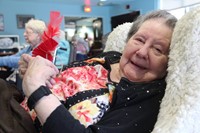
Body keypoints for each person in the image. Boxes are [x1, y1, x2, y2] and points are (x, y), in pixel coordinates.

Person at [19, 10, 177, 133]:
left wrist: (36, 89)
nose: (142, 52)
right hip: (14, 107)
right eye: (139, 40)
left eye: (157, 49)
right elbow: (62, 77)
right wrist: (38, 72)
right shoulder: (111, 57)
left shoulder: (148, 97)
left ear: (169, 62)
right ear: (128, 40)